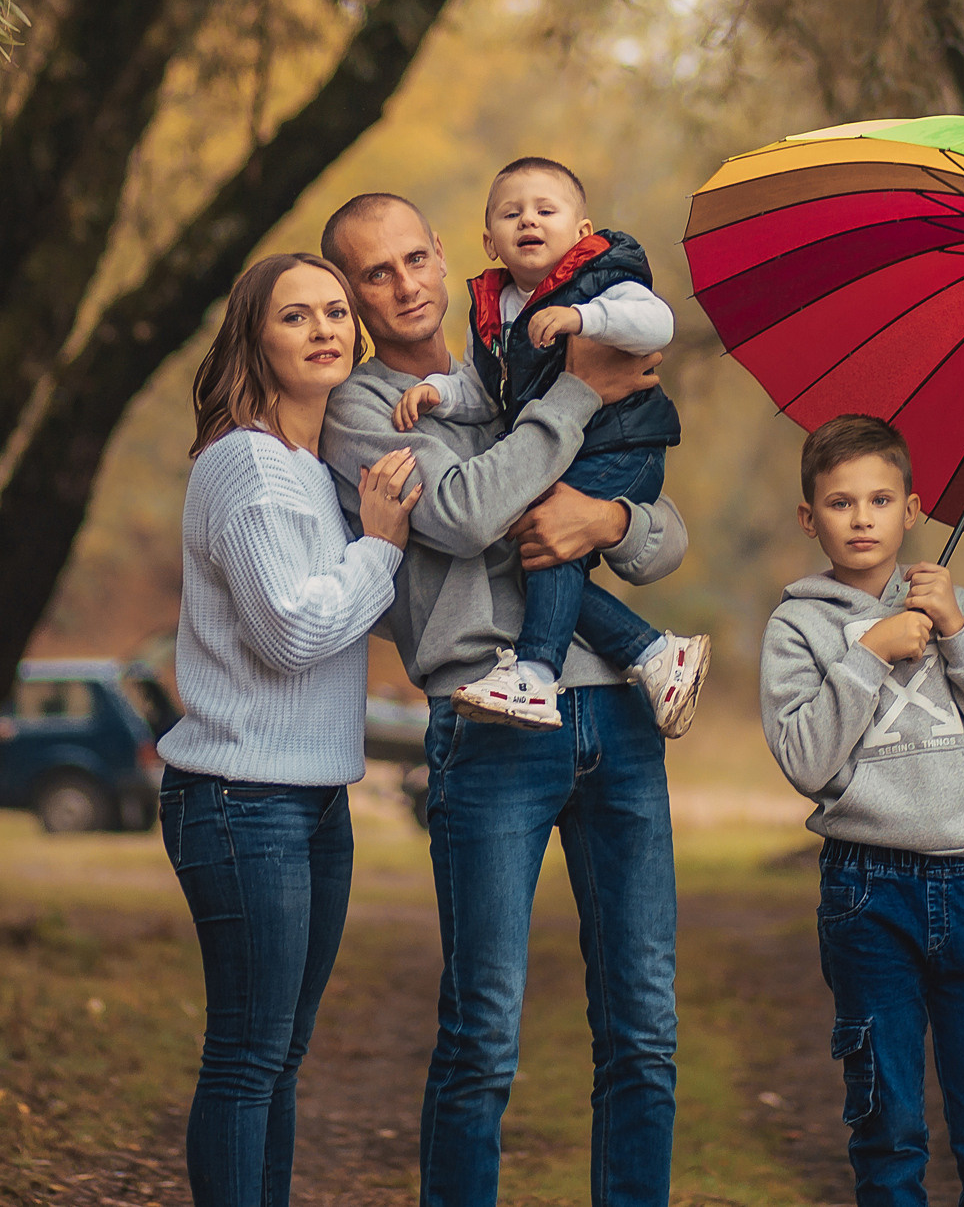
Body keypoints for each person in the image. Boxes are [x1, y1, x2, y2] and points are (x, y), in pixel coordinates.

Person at [318, 192, 688, 1207]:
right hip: (488, 722)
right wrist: (575, 395)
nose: (402, 285)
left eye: (411, 259)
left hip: (614, 709)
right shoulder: (361, 411)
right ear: (351, 296)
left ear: (443, 257)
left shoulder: (503, 355)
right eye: (374, 274)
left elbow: (664, 537)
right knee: (483, 1029)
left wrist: (602, 514)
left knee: (645, 1024)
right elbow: (470, 513)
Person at [155, 251, 422, 1207]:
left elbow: (348, 608)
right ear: (253, 341)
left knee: (280, 1055)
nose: (325, 329)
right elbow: (296, 631)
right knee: (247, 1053)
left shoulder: (314, 474)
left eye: (337, 313)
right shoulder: (248, 465)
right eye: (295, 316)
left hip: (310, 800)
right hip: (240, 801)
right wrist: (382, 546)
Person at [758, 414, 964, 1207]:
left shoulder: (957, 608)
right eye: (841, 502)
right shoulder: (797, 628)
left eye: (879, 500)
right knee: (887, 1127)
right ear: (808, 518)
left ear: (912, 509)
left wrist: (956, 632)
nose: (861, 518)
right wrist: (869, 653)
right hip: (866, 888)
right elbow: (806, 762)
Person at [392, 157, 709, 734]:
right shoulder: (495, 309)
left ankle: (536, 674)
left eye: (545, 210)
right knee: (542, 551)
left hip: (622, 443)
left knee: (551, 547)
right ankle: (655, 654)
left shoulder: (604, 273)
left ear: (581, 232)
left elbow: (656, 323)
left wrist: (585, 318)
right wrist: (438, 392)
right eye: (512, 214)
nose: (528, 221)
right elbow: (483, 392)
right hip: (575, 450)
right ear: (490, 242)